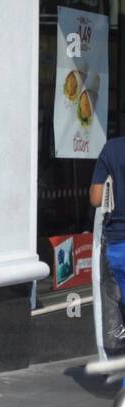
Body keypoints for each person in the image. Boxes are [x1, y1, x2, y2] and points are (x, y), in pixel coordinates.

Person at [89, 137, 125, 352]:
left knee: (113, 303)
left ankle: (116, 360)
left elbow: (96, 198)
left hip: (117, 242)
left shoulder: (111, 149)